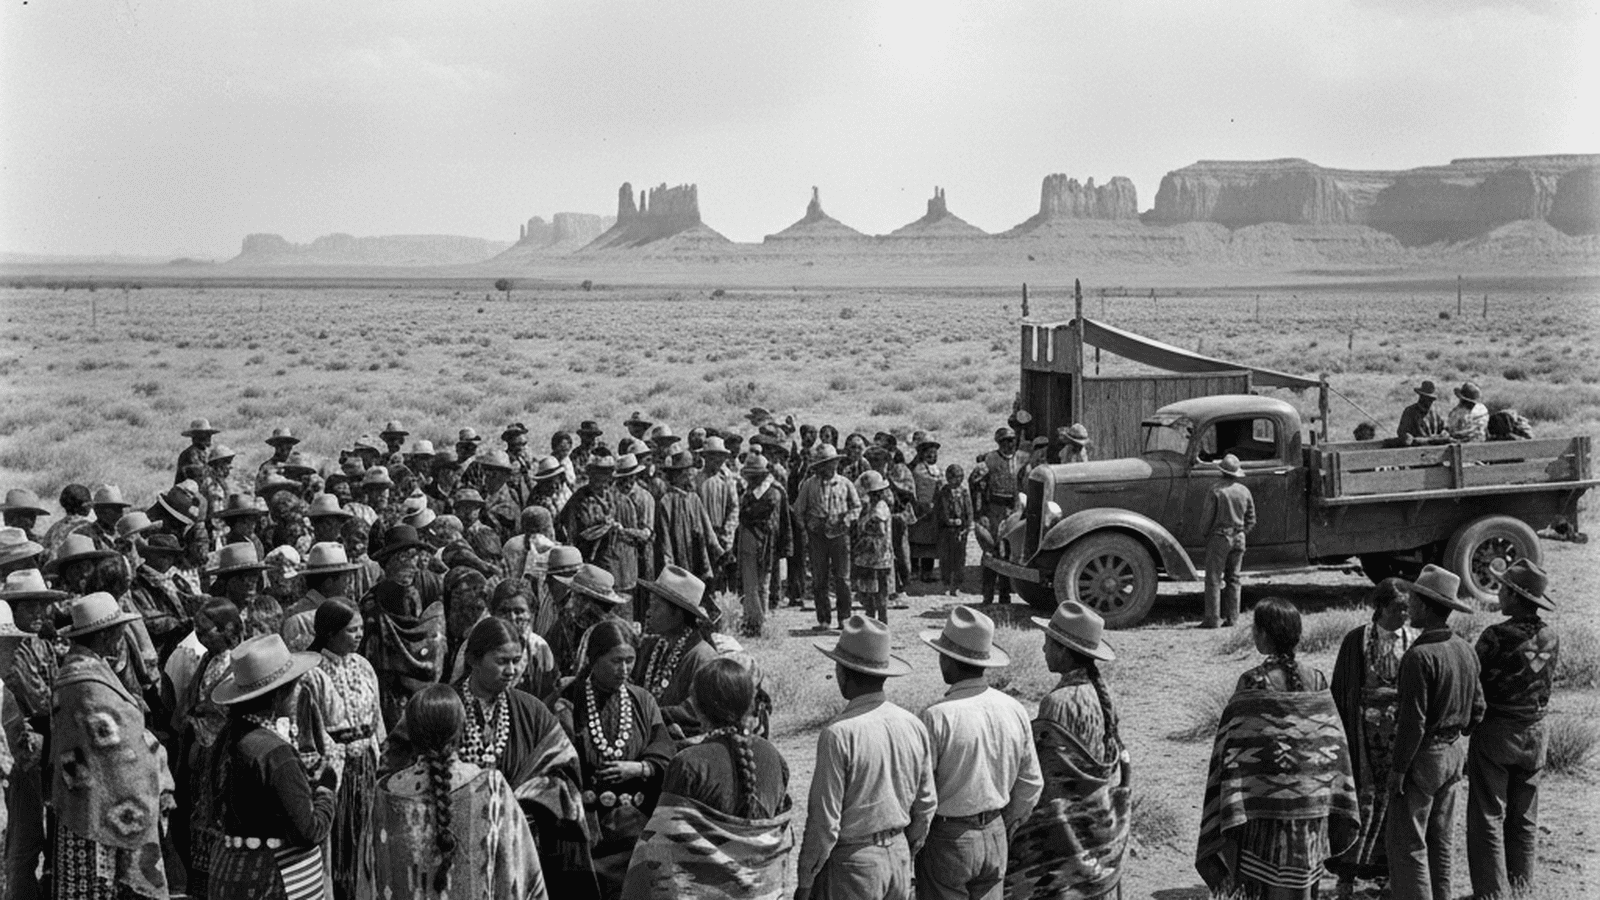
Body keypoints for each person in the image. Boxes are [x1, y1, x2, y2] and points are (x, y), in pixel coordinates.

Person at [383, 616, 595, 897]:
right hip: (447, 844)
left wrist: (522, 797)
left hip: (516, 848)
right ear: (473, 660)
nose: (511, 670)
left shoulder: (532, 711)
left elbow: (565, 768)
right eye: (501, 661)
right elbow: (393, 767)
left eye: (516, 660)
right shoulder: (439, 707)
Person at [1197, 597, 1359, 900]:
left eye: (1255, 629)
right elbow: (1334, 744)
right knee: (1303, 888)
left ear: (1263, 635)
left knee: (1263, 889)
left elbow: (1230, 749)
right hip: (1311, 814)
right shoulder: (1317, 679)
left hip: (1262, 817)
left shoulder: (1252, 682)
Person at [623, 656, 794, 900]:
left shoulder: (688, 764)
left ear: (698, 706)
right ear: (748, 702)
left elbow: (658, 849)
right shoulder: (772, 756)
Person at [361, 684, 547, 900]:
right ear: (461, 729)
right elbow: (520, 873)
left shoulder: (384, 793)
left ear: (410, 733)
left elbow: (368, 880)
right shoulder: (492, 788)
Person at [796, 615, 936, 900]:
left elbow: (824, 822)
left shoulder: (839, 734)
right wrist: (905, 847)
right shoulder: (913, 724)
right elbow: (926, 804)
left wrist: (806, 880)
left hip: (854, 862)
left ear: (843, 672)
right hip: (897, 855)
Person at [50, 592, 175, 900]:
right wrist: (157, 765)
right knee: (95, 887)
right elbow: (118, 749)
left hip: (91, 803)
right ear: (106, 635)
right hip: (94, 807)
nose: (122, 636)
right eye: (119, 630)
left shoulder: (89, 672)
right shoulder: (86, 684)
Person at [915, 606, 1042, 900]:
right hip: (995, 831)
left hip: (949, 836)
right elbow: (1031, 783)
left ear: (949, 659)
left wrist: (916, 839)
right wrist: (1005, 822)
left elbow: (923, 794)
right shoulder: (1014, 709)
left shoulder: (937, 716)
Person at [1007, 601, 1130, 899]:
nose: (1043, 650)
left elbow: (1050, 775)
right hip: (1096, 822)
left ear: (1063, 650)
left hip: (1066, 831)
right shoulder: (1100, 693)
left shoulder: (1059, 702)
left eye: (1047, 643)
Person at [551, 620, 674, 898]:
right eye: (616, 661)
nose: (625, 669)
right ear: (595, 660)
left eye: (630, 660)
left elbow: (664, 747)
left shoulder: (642, 700)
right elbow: (557, 761)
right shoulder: (569, 701)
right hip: (586, 834)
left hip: (635, 827)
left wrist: (641, 768)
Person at [207, 633, 335, 900]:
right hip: (274, 880)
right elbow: (308, 831)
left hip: (230, 872)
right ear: (279, 695)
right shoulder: (275, 755)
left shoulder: (228, 738)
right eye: (295, 685)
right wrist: (325, 789)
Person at [1387, 565, 1484, 900]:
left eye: (1413, 601)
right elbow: (1479, 709)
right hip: (1454, 753)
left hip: (1425, 755)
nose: (1409, 607)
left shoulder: (1418, 657)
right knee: (1441, 838)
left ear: (1427, 607)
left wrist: (1399, 769)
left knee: (1408, 842)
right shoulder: (1465, 649)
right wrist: (1457, 732)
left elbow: (1412, 724)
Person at [1467, 559, 1558, 899]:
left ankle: (1491, 891)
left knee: (1487, 812)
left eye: (1504, 589)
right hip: (1535, 733)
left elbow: (1474, 682)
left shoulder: (1495, 636)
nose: (1498, 593)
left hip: (1497, 731)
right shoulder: (1550, 636)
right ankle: (1521, 886)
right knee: (1523, 816)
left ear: (1518, 598)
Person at [1328, 578, 1419, 896]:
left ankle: (1389, 873)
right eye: (1398, 608)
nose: (1404, 614)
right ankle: (1347, 875)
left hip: (1399, 740)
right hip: (1360, 738)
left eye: (1408, 608)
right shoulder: (1356, 641)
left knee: (1396, 803)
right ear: (1379, 608)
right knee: (1358, 803)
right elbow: (1341, 690)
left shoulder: (1414, 641)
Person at [295, 599, 385, 900]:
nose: (359, 635)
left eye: (361, 629)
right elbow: (309, 730)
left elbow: (376, 717)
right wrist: (335, 761)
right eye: (351, 630)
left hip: (366, 766)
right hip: (335, 769)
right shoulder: (312, 673)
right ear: (330, 633)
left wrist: (375, 752)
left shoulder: (364, 666)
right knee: (338, 838)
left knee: (366, 836)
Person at [1, 569, 67, 900]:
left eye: (42, 607)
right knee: (24, 838)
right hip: (22, 751)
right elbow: (41, 702)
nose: (39, 614)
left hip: (42, 748)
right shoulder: (13, 656)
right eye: (30, 608)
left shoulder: (41, 645)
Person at [173, 597, 243, 900]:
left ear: (227, 629)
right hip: (199, 758)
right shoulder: (207, 660)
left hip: (222, 759)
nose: (200, 639)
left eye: (206, 631)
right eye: (197, 632)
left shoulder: (238, 662)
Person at [633, 565, 721, 737]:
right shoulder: (652, 647)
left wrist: (649, 715)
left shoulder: (703, 657)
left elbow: (695, 711)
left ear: (678, 614)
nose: (649, 613)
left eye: (656, 607)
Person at [793, 444, 860, 631]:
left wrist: (847, 519)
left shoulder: (845, 484)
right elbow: (798, 510)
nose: (828, 468)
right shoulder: (809, 485)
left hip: (840, 535)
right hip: (817, 536)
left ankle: (844, 619)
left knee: (843, 579)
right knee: (819, 578)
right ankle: (823, 619)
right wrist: (806, 528)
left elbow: (857, 507)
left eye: (831, 464)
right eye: (824, 464)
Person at [735, 453, 790, 637]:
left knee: (762, 585)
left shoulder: (773, 492)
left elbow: (753, 514)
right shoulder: (750, 490)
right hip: (749, 541)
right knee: (749, 584)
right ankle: (751, 620)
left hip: (765, 543)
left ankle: (760, 622)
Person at [1200, 454, 1255, 628]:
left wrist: (1204, 534)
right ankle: (1233, 619)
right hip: (1239, 538)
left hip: (1220, 537)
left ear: (1221, 471)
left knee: (1214, 579)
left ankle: (1212, 619)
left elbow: (1207, 518)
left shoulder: (1216, 490)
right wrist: (1241, 532)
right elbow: (1251, 518)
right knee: (1234, 579)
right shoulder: (1244, 491)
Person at [654, 450, 724, 582]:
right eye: (689, 471)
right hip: (677, 551)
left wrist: (718, 550)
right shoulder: (666, 501)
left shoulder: (694, 498)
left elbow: (707, 527)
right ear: (679, 474)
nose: (692, 474)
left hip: (696, 550)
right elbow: (665, 537)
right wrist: (668, 563)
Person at [976, 427, 1023, 605]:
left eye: (1011, 440)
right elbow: (978, 488)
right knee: (990, 552)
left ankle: (1005, 593)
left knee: (1007, 552)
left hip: (1013, 510)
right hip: (993, 509)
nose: (1009, 444)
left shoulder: (1021, 459)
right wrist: (981, 513)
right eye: (1004, 441)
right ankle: (987, 594)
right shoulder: (990, 460)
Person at [696, 436, 741, 593]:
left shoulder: (726, 479)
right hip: (701, 533)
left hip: (720, 532)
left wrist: (727, 534)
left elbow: (734, 507)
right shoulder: (697, 479)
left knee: (721, 574)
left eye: (719, 456)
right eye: (712, 456)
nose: (716, 460)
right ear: (705, 457)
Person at [851, 472, 895, 624]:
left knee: (877, 594)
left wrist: (865, 533)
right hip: (874, 558)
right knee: (872, 593)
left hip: (876, 557)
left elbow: (880, 530)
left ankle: (879, 623)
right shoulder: (872, 507)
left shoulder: (879, 508)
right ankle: (874, 623)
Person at [931, 464, 971, 597]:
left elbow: (968, 510)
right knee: (946, 558)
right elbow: (940, 511)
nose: (957, 480)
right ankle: (947, 583)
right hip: (946, 530)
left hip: (960, 530)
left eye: (960, 477)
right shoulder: (944, 492)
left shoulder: (964, 492)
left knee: (959, 558)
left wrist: (967, 526)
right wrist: (948, 521)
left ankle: (957, 585)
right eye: (954, 477)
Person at [907, 438, 942, 582]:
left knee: (931, 542)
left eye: (934, 454)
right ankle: (914, 570)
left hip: (933, 512)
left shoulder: (937, 469)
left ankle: (927, 571)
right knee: (915, 541)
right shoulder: (918, 469)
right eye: (929, 454)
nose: (932, 456)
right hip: (920, 510)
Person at [177, 418, 220, 484]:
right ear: (196, 436)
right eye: (205, 434)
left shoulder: (206, 452)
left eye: (209, 434)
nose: (209, 437)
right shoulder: (190, 453)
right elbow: (199, 475)